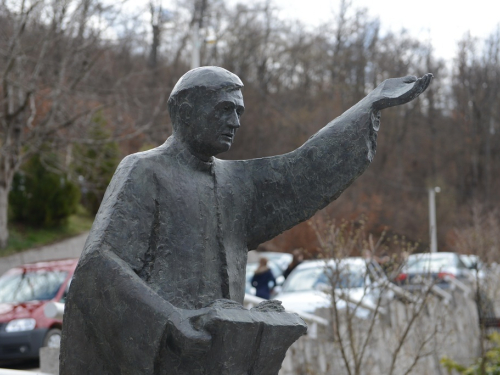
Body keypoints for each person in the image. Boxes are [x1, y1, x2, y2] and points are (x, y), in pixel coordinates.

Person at [60, 66, 432, 374]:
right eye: (224, 109)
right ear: (184, 110)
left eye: (239, 111)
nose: (235, 122)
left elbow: (303, 172)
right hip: (166, 355)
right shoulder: (144, 171)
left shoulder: (236, 184)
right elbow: (102, 264)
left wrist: (369, 105)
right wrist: (171, 320)